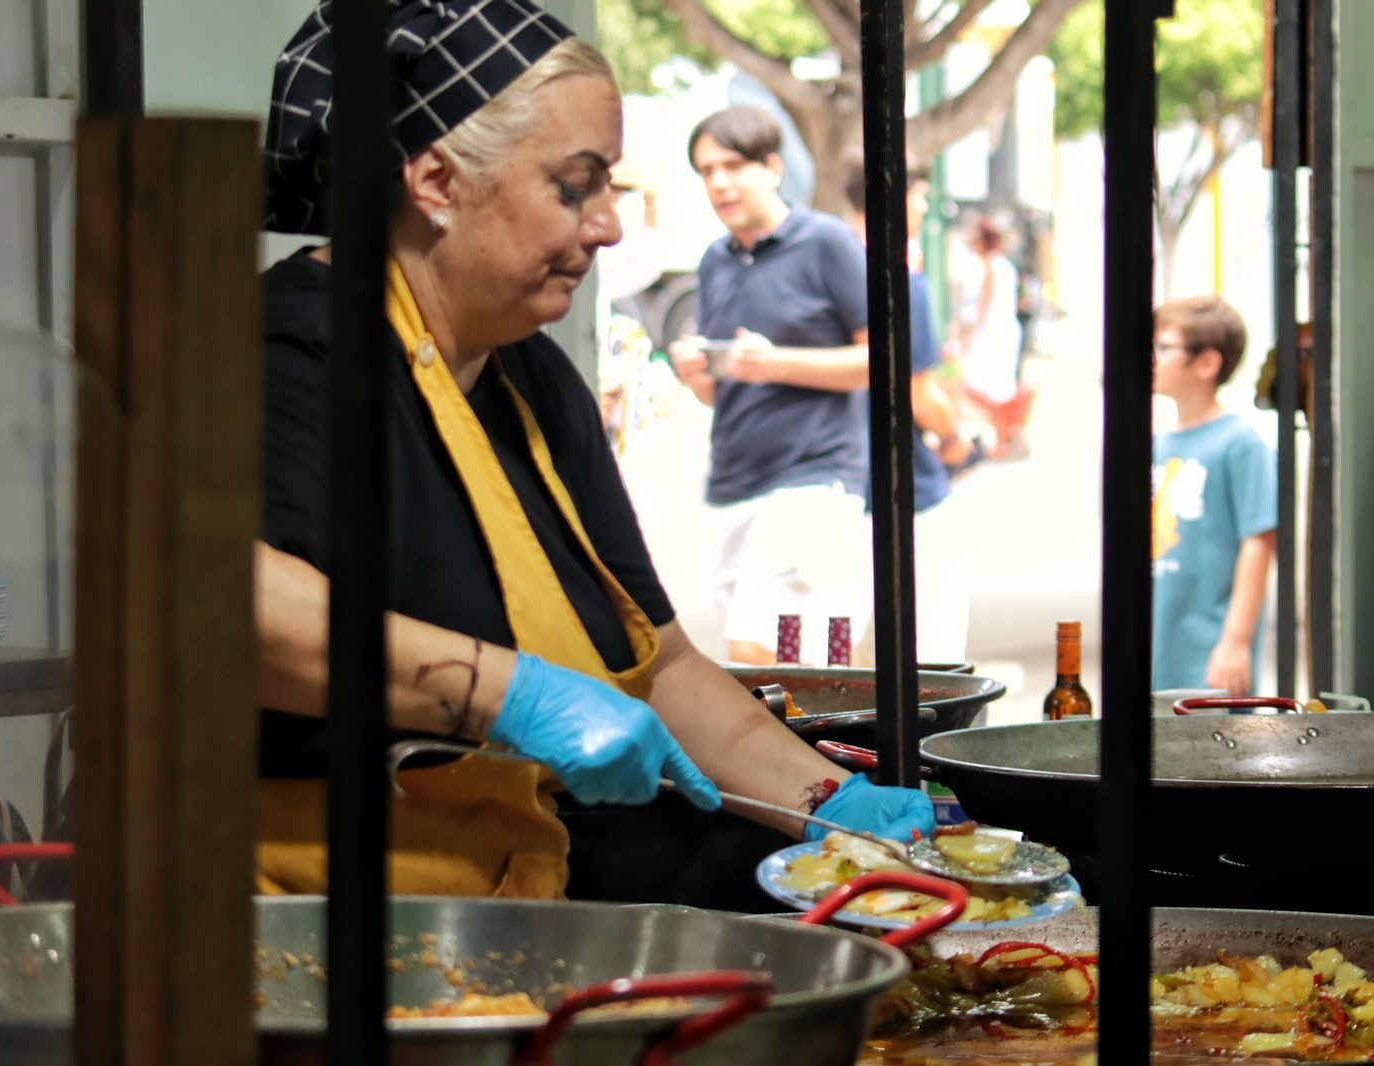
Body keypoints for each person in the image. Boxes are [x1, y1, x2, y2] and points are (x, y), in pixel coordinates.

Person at [253, 0, 933, 904]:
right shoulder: (292, 352)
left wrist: (835, 808)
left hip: (503, 893)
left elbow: (665, 668)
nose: (609, 226)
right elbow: (231, 609)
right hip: (305, 922)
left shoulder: (531, 380)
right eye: (575, 187)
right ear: (436, 182)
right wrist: (516, 696)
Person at [668, 106, 872, 667]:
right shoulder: (715, 260)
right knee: (804, 663)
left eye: (732, 165)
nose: (719, 182)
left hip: (814, 481)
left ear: (773, 168)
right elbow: (723, 389)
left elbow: (881, 362)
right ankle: (839, 754)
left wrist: (776, 362)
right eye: (706, 171)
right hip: (735, 486)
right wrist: (698, 376)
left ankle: (795, 754)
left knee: (755, 654)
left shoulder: (827, 242)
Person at [842, 153, 970, 663]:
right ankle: (932, 744)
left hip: (834, 486)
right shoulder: (901, 280)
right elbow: (920, 398)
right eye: (919, 194)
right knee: (936, 656)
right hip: (907, 489)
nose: (924, 206)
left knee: (833, 662)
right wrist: (957, 437)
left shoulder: (827, 272)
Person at [1151, 295, 1277, 695]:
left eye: (1163, 347)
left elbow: (1259, 542)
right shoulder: (1156, 443)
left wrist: (1236, 642)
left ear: (1207, 363)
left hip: (1210, 653)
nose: (1151, 357)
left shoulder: (1240, 443)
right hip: (1159, 642)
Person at [951, 218, 1032, 457]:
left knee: (986, 386)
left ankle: (1006, 436)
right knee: (996, 387)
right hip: (1001, 331)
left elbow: (984, 305)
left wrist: (969, 336)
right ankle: (1009, 434)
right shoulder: (1004, 265)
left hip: (991, 333)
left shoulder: (991, 267)